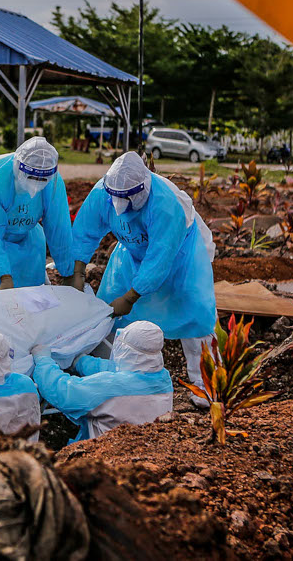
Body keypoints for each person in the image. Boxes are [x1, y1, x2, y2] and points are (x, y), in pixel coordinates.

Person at [70, 152, 217, 408]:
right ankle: (112, 374)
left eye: (126, 200)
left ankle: (207, 389)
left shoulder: (165, 205)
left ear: (141, 191)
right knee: (108, 314)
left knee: (194, 316)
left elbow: (159, 259)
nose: (119, 205)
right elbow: (84, 232)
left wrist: (131, 297)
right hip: (133, 249)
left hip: (182, 251)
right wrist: (77, 272)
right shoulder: (104, 192)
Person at [0, 137, 74, 290]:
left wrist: (68, 272)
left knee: (33, 291)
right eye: (30, 177)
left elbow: (59, 227)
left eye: (42, 180)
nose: (35, 186)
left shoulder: (52, 180)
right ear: (17, 167)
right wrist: (5, 276)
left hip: (21, 228)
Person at [30, 321, 172, 442]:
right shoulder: (163, 379)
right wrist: (81, 362)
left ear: (123, 349)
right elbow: (117, 370)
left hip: (109, 456)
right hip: (148, 445)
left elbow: (62, 391)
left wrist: (44, 362)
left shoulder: (111, 386)